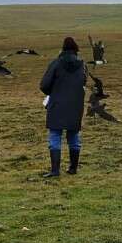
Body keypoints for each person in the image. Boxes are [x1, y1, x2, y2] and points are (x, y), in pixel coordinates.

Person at [39, 36, 87, 178]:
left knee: (55, 135)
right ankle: (73, 168)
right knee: (73, 135)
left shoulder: (56, 63)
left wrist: (53, 93)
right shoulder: (83, 65)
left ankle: (55, 171)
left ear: (63, 49)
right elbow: (83, 82)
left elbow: (44, 85)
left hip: (57, 104)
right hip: (75, 105)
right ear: (76, 49)